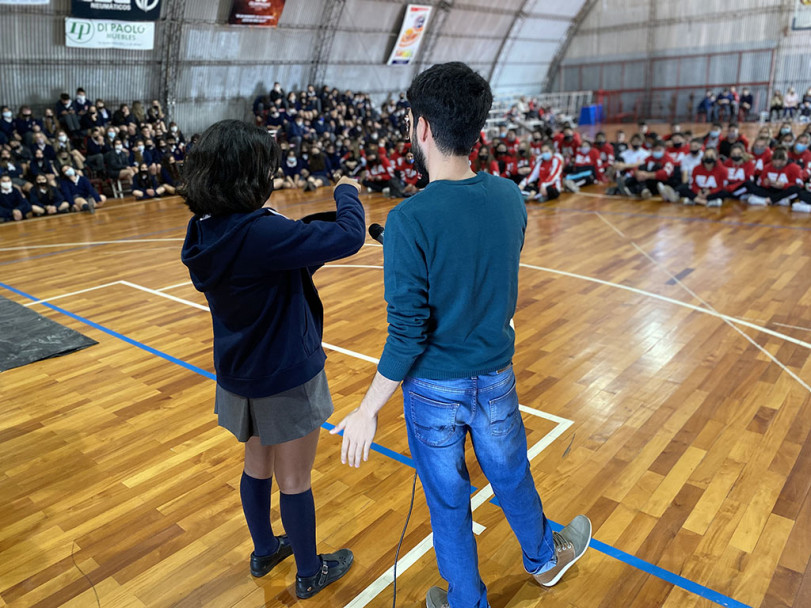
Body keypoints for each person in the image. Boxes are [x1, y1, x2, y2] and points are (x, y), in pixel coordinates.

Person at [332, 61, 592, 608]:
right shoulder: (509, 198)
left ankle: (466, 600)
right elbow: (489, 271)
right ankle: (545, 558)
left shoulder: (408, 221)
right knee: (511, 474)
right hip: (494, 378)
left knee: (448, 502)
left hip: (432, 391)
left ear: (421, 126)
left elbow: (407, 334)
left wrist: (366, 409)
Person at [179, 119, 364, 599]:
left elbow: (275, 256)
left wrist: (294, 232)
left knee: (256, 465)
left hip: (238, 373)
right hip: (285, 374)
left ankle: (265, 549)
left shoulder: (204, 231)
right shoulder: (262, 234)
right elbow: (348, 237)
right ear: (249, 176)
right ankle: (309, 571)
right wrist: (347, 193)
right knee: (295, 477)